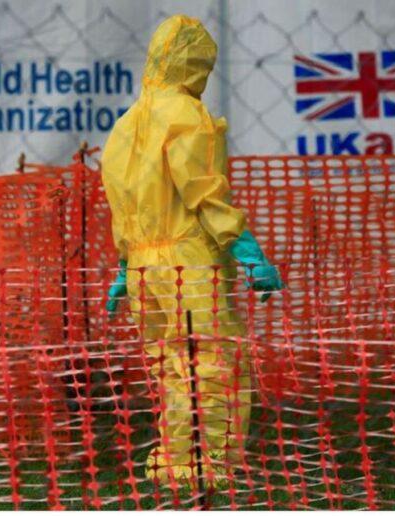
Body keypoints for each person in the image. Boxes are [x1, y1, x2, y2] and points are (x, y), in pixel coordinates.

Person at [101, 14, 283, 486]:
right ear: (195, 64)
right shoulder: (184, 114)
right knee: (214, 359)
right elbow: (202, 191)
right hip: (188, 261)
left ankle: (173, 459)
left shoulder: (124, 127)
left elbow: (125, 206)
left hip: (143, 267)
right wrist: (246, 250)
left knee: (170, 366)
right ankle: (210, 464)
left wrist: (124, 268)